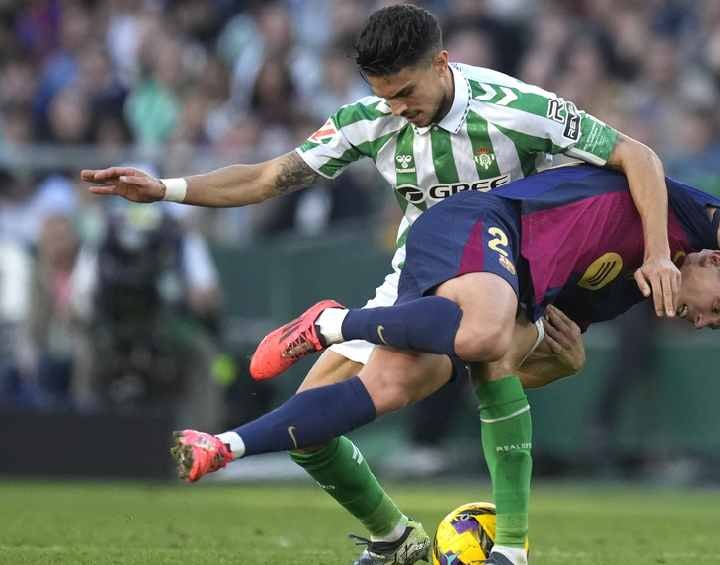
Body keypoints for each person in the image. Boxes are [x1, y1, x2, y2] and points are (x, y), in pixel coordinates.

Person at [81, 6, 679, 564]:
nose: (396, 108)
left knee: (491, 350)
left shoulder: (515, 107)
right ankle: (396, 540)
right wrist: (165, 189)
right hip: (419, 274)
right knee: (309, 428)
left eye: (406, 93)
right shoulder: (368, 121)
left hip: (515, 269)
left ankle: (512, 548)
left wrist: (657, 255)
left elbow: (639, 157)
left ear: (441, 65)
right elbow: (267, 177)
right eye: (382, 95)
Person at [170, 164, 720, 565]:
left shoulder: (614, 300)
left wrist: (560, 367)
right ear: (715, 261)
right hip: (478, 226)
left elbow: (499, 378)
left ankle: (231, 447)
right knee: (483, 331)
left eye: (705, 324)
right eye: (713, 307)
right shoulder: (696, 215)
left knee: (406, 382)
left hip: (497, 289)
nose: (697, 320)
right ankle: (331, 321)